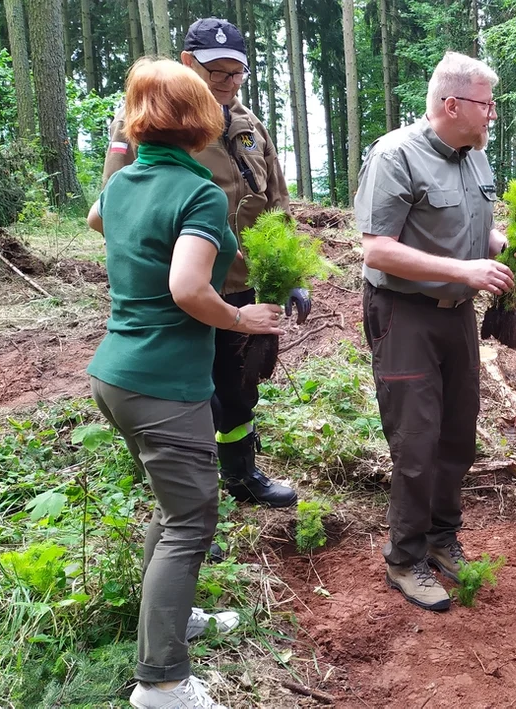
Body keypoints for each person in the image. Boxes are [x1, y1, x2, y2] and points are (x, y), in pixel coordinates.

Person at [86, 58, 285, 709]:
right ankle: (163, 681)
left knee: (175, 510)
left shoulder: (123, 184)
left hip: (116, 374)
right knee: (193, 520)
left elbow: (96, 218)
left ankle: (170, 617)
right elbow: (188, 287)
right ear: (200, 120)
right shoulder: (198, 193)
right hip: (165, 383)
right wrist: (240, 315)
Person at [102, 17, 299, 514]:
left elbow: (275, 199)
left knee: (237, 389)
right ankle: (190, 500)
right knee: (188, 399)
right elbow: (113, 210)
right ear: (189, 64)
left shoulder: (249, 125)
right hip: (182, 290)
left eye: (238, 74)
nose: (230, 84)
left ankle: (240, 474)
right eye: (219, 74)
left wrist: (289, 272)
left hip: (239, 283)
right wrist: (181, 258)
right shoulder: (146, 123)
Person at [355, 51, 512, 612]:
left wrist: (490, 245)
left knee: (456, 434)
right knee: (416, 441)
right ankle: (405, 557)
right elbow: (377, 249)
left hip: (456, 315)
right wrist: (463, 269)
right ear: (452, 104)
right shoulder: (396, 155)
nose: (492, 114)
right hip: (405, 314)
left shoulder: (475, 157)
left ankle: (443, 538)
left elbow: (477, 222)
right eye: (486, 104)